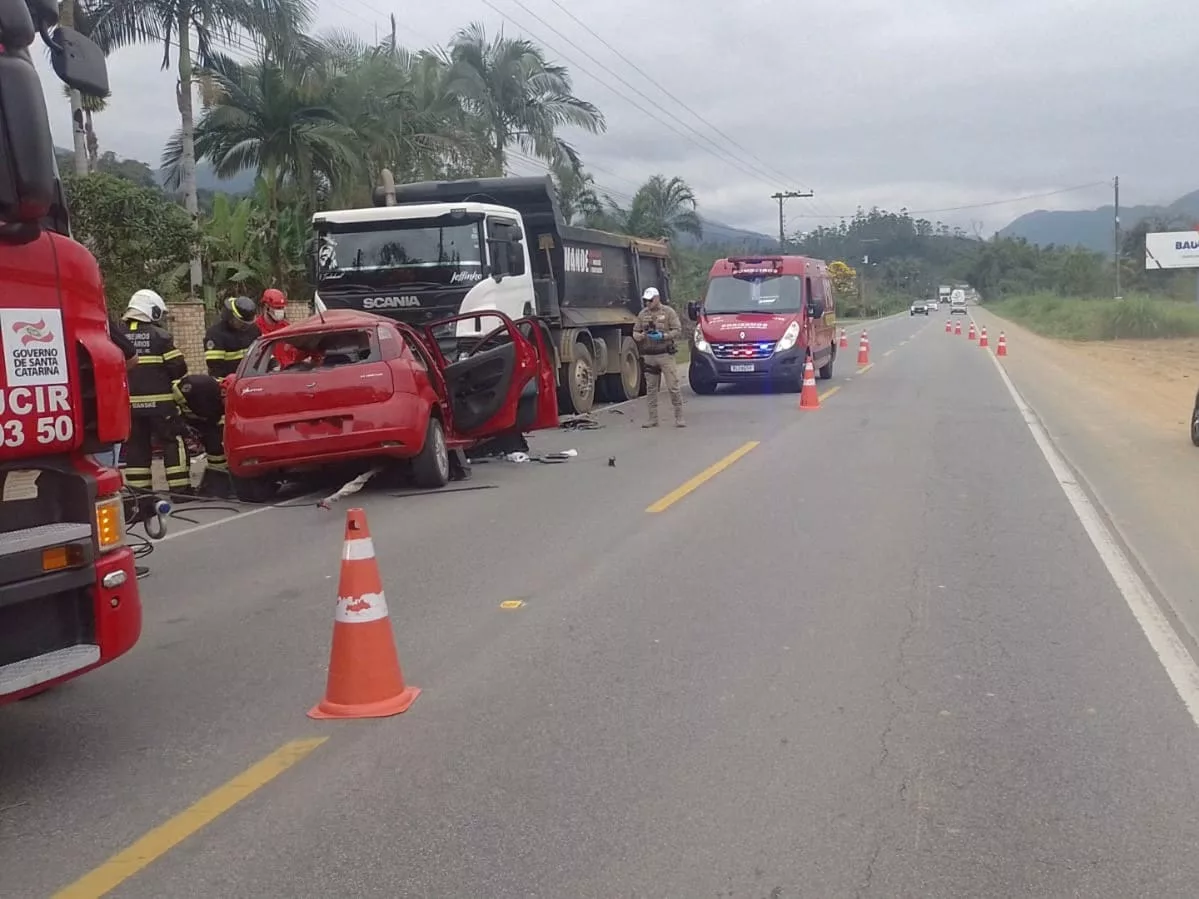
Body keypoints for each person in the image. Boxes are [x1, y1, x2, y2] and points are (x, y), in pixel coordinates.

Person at [114, 289, 192, 494]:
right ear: (152, 310)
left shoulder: (117, 336)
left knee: (137, 448)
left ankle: (140, 495)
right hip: (162, 407)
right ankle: (180, 491)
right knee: (172, 442)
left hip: (130, 409)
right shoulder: (161, 336)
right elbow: (179, 368)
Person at [632, 287, 685, 428]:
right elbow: (635, 332)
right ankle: (652, 418)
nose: (647, 303)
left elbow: (677, 330)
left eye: (650, 300)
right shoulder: (643, 314)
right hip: (649, 355)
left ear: (657, 298)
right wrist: (640, 336)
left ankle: (679, 417)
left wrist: (664, 336)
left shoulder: (668, 312)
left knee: (673, 386)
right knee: (651, 389)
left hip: (665, 354)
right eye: (645, 300)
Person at [173, 373, 232, 498]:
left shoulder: (222, 404)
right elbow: (176, 391)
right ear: (223, 392)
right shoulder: (202, 385)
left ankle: (219, 481)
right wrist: (178, 410)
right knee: (178, 447)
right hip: (175, 412)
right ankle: (180, 488)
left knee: (215, 444)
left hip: (199, 419)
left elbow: (214, 418)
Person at [204, 295, 260, 379]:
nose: (244, 326)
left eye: (247, 324)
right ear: (230, 316)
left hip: (251, 380)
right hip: (229, 383)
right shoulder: (215, 334)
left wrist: (274, 365)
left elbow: (262, 351)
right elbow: (216, 368)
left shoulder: (253, 330)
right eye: (241, 322)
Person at [255, 288, 299, 369]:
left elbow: (294, 351)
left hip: (287, 372)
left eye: (282, 308)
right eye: (277, 308)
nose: (280, 311)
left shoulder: (287, 327)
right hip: (267, 374)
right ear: (266, 307)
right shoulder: (256, 328)